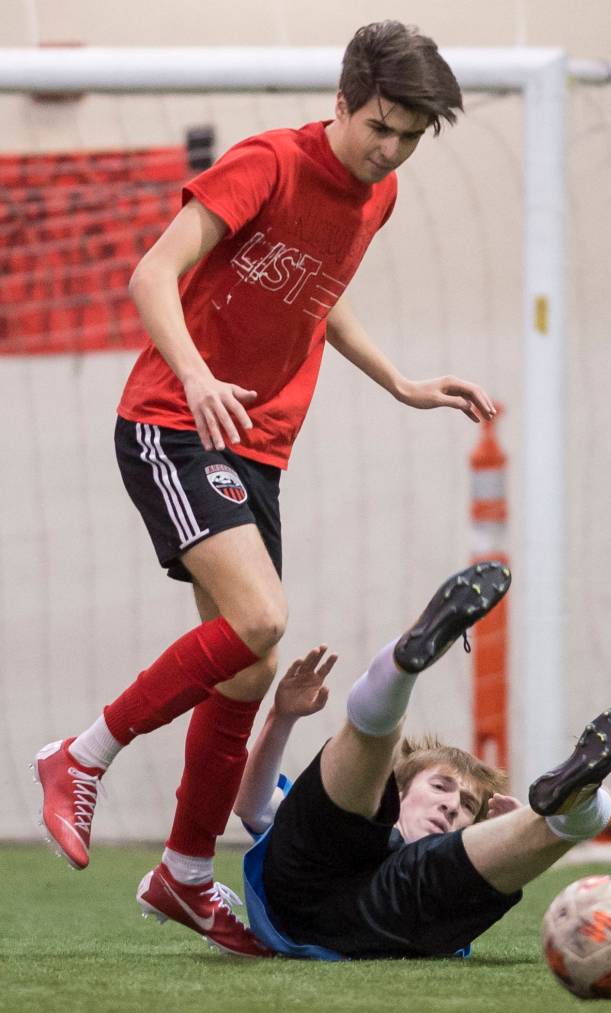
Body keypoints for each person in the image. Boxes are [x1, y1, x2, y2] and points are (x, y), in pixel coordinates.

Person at [33, 21, 495, 957]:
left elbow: (319, 294)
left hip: (258, 445)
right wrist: (198, 374)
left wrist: (399, 380)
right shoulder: (267, 164)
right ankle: (81, 755)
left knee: (245, 670)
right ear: (341, 101)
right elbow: (151, 271)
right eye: (378, 126)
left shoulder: (380, 193)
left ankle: (187, 874)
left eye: (408, 136)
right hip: (175, 419)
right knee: (261, 620)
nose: (389, 149)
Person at [199, 561, 611, 960]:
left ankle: (574, 807)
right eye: (441, 787)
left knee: (443, 867)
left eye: (466, 806)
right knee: (343, 819)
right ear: (402, 791)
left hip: (390, 920)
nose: (451, 805)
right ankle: (401, 667)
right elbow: (252, 806)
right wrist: (282, 717)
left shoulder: (435, 869)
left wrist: (510, 832)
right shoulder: (375, 805)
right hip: (303, 885)